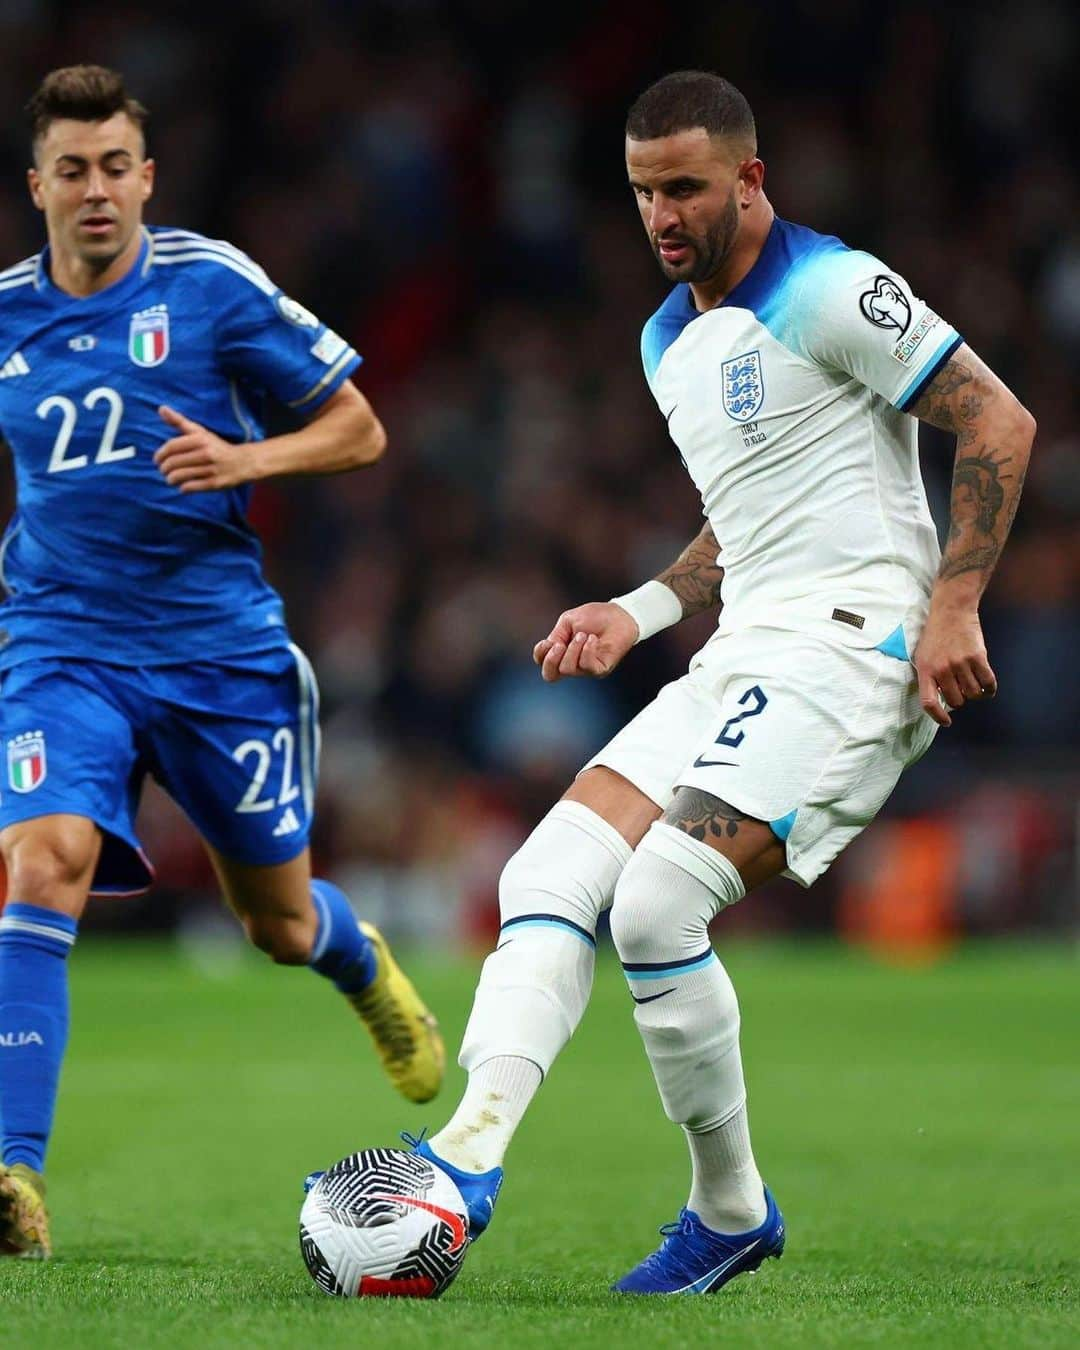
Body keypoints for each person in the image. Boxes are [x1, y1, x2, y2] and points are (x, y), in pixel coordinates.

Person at [403, 71, 1035, 1293]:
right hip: (744, 647)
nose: (662, 215)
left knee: (653, 907)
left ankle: (725, 1211)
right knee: (544, 872)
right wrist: (631, 612)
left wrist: (953, 601)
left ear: (750, 178)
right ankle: (465, 1161)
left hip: (856, 652)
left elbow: (997, 422)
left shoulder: (834, 287)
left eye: (685, 186)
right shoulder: (667, 341)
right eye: (643, 192)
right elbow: (735, 526)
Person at [0, 65, 445, 1260]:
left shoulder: (208, 285)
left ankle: (358, 962)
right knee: (42, 864)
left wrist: (248, 464)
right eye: (72, 170)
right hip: (61, 644)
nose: (96, 191)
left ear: (145, 178)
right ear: (35, 184)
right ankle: (15, 1181)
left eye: (115, 169)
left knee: (278, 924)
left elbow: (360, 427)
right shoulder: (4, 317)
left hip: (216, 653)